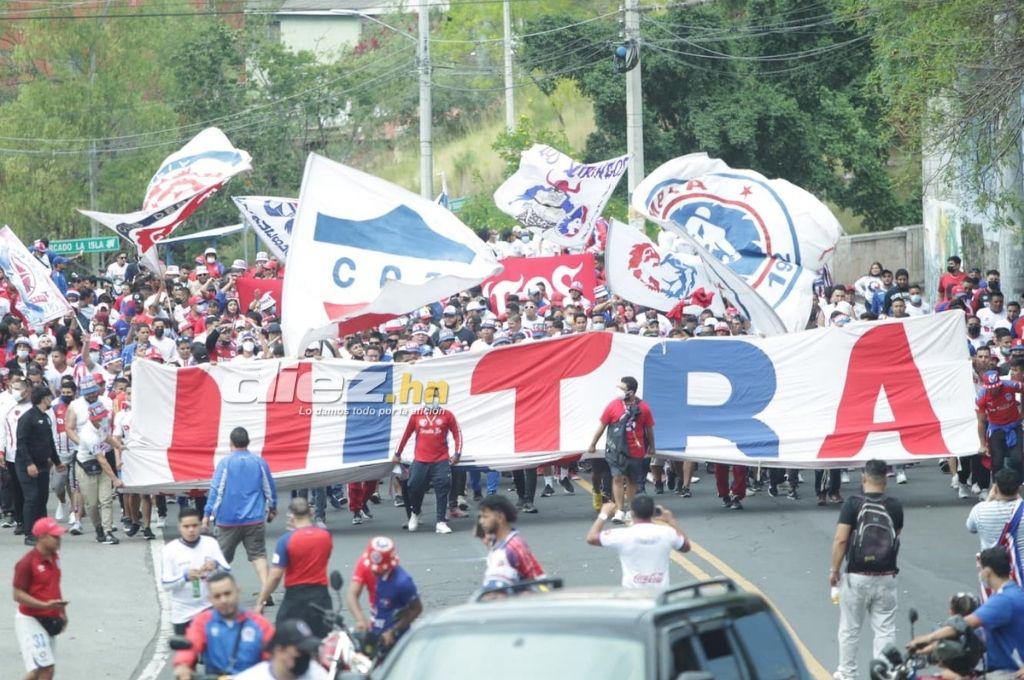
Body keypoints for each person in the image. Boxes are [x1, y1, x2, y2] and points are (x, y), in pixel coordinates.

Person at [828, 459, 904, 680]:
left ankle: (847, 673)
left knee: (850, 627)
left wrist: (834, 570)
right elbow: (895, 535)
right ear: (886, 480)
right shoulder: (894, 505)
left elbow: (841, 540)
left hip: (856, 575)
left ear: (863, 477)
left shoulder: (853, 504)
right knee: (885, 628)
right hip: (887, 575)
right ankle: (882, 674)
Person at [908, 548, 1024, 680]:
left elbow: (963, 624)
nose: (980, 573)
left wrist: (927, 638)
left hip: (1007, 672)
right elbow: (973, 636)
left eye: (980, 569)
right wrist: (927, 649)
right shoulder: (1014, 593)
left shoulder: (1003, 600)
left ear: (987, 571)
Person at [204, 427, 278, 607]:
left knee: (221, 558)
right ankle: (266, 592)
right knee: (258, 556)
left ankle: (216, 594)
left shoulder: (225, 463)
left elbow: (217, 491)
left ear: (231, 443)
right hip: (254, 517)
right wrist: (272, 507)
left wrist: (207, 514)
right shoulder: (259, 462)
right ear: (248, 442)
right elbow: (269, 487)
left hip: (228, 520)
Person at [173, 571, 275, 680]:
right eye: (217, 596)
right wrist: (182, 665)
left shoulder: (260, 624)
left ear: (238, 591)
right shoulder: (202, 622)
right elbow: (190, 645)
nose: (224, 600)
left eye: (227, 593)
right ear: (210, 599)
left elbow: (275, 658)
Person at [255, 498, 333, 637]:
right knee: (321, 641)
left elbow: (275, 576)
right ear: (311, 513)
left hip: (296, 598)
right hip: (321, 595)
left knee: (286, 640)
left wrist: (261, 601)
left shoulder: (286, 540)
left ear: (291, 515)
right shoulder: (325, 536)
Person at [586, 376, 655, 524]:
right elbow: (602, 426)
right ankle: (619, 509)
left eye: (622, 388)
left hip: (635, 450)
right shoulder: (612, 405)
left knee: (631, 479)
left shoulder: (644, 408)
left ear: (631, 391)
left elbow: (649, 429)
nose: (619, 391)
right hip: (616, 450)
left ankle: (630, 510)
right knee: (617, 478)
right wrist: (593, 444)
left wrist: (652, 448)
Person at [585, 496, 688, 590]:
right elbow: (685, 547)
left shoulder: (622, 534)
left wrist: (603, 514)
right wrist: (671, 520)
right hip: (659, 594)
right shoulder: (667, 532)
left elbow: (591, 538)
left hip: (632, 594)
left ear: (632, 513)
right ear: (653, 512)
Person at [393, 393, 462, 534]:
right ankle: (415, 513)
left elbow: (457, 434)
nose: (433, 401)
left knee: (443, 487)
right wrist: (397, 453)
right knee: (413, 486)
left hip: (441, 459)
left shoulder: (447, 415)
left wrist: (457, 453)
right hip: (420, 459)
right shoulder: (416, 415)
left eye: (435, 397)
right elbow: (405, 435)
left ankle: (441, 521)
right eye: (430, 398)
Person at [160, 508, 231, 635]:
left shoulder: (211, 543)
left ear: (200, 525)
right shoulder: (170, 550)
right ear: (179, 527)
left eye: (194, 525)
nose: (191, 530)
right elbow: (166, 583)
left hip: (209, 608)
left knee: (213, 653)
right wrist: (184, 577)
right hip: (183, 613)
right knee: (187, 654)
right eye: (186, 526)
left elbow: (227, 571)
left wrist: (216, 565)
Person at [13, 518, 67, 680]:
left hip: (49, 618)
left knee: (38, 670)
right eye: (54, 536)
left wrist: (62, 612)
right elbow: (18, 594)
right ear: (42, 537)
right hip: (30, 620)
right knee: (46, 668)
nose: (59, 539)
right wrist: (44, 605)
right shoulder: (26, 563)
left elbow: (54, 587)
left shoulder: (54, 558)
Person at [346, 536, 423, 648]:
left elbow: (417, 608)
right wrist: (361, 620)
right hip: (375, 623)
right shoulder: (364, 564)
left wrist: (393, 630)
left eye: (378, 572)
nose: (374, 573)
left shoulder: (403, 582)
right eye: (372, 569)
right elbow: (352, 594)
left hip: (396, 631)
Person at [16, 387, 64, 545]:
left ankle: (42, 531)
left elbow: (49, 442)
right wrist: (29, 463)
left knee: (42, 497)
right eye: (49, 397)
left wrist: (57, 462)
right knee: (32, 497)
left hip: (43, 464)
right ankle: (29, 534)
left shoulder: (45, 417)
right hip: (27, 465)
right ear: (44, 399)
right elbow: (21, 443)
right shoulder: (27, 418)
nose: (51, 399)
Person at [966, 468, 1024, 586]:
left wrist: (988, 500)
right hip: (1020, 571)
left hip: (994, 574)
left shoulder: (980, 510)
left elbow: (970, 528)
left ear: (995, 488)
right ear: (1019, 488)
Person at [477, 495, 545, 590]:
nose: (481, 521)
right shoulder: (496, 543)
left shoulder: (514, 547)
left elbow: (537, 580)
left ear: (500, 517)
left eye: (485, 517)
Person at [234, 619, 329, 680]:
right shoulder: (252, 677)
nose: (305, 656)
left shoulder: (315, 672)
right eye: (300, 651)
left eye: (308, 651)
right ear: (279, 650)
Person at [976, 370, 1024, 476]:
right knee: (997, 462)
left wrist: (1023, 411)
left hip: (1014, 425)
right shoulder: (981, 396)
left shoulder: (1011, 385)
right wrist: (982, 445)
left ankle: (1017, 485)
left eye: (997, 386)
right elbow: (981, 422)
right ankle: (996, 488)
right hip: (996, 428)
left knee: (1018, 459)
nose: (995, 389)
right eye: (991, 388)